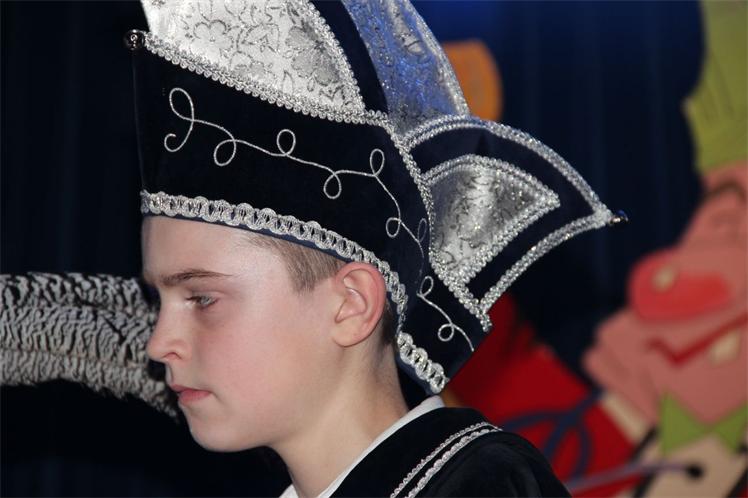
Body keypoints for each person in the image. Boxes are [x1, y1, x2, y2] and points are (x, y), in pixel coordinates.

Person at [1, 0, 624, 495]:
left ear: (351, 304)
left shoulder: (481, 486)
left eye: (203, 298)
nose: (159, 342)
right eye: (159, 300)